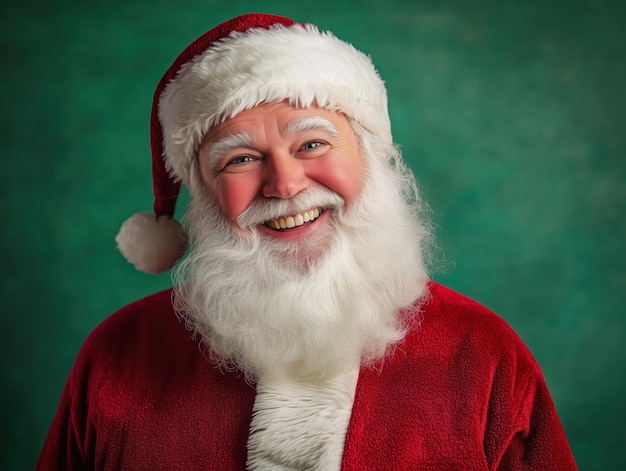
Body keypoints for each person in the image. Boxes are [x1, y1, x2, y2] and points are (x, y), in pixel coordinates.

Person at [37, 13, 578, 470]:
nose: (287, 185)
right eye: (240, 159)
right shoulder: (117, 357)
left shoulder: (482, 353)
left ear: (370, 155)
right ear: (203, 193)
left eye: (313, 142)